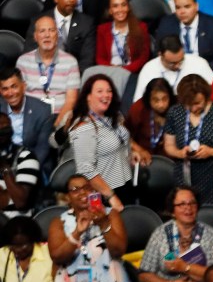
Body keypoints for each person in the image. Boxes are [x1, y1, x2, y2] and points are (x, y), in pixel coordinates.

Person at [47, 174, 139, 282]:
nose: (81, 192)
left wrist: (103, 224)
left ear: (94, 192)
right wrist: (76, 233)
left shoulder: (110, 214)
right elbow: (57, 256)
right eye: (75, 189)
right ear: (68, 197)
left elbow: (119, 250)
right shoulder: (59, 222)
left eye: (86, 188)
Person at [136, 185, 213, 282]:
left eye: (192, 203)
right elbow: (144, 275)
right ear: (172, 211)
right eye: (181, 204)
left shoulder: (209, 234)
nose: (188, 208)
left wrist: (185, 267)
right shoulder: (160, 234)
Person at [67, 74, 147, 207]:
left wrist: (129, 155)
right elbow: (86, 169)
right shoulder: (84, 128)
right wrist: (111, 196)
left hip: (125, 186)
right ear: (88, 96)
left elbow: (119, 142)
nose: (106, 95)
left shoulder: (113, 117)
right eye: (100, 91)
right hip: (104, 195)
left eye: (109, 91)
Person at [163, 74, 213, 207]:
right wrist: (180, 153)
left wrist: (212, 151)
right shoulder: (175, 112)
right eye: (188, 105)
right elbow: (169, 145)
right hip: (184, 174)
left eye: (198, 103)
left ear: (206, 96)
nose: (193, 108)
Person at [19, 15, 80, 121]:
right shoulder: (23, 61)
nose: (47, 35)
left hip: (59, 116)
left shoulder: (70, 62)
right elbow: (19, 97)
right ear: (35, 36)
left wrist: (57, 126)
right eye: (42, 31)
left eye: (51, 30)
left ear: (57, 35)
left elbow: (71, 100)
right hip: (31, 117)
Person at [153, 0, 213, 74]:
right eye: (178, 7)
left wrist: (200, 68)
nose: (182, 12)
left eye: (187, 7)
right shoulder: (166, 24)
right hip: (174, 71)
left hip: (205, 72)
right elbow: (157, 53)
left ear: (196, 6)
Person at [94, 0, 149, 75]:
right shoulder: (102, 29)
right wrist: (113, 70)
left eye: (123, 5)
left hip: (132, 73)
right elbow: (100, 58)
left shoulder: (141, 27)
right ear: (110, 10)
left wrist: (124, 70)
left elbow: (143, 57)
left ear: (128, 7)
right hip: (109, 73)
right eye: (115, 6)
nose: (120, 9)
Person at [0, 114, 40, 217]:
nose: (3, 130)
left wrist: (5, 169)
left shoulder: (24, 156)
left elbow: (20, 202)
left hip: (17, 224)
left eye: (5, 126)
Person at [126, 78, 172, 158]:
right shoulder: (138, 109)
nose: (161, 105)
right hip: (143, 159)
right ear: (148, 99)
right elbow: (125, 136)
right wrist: (139, 150)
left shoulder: (176, 109)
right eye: (156, 100)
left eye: (165, 99)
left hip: (170, 161)